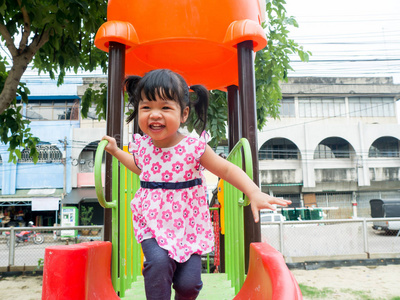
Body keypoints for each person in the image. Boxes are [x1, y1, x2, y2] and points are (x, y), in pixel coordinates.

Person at [102, 69, 291, 300]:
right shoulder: (143, 147)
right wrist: (115, 151)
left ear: (184, 114)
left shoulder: (194, 147)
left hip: (188, 225)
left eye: (165, 107)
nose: (154, 115)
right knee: (158, 263)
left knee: (190, 284)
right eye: (146, 107)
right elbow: (139, 167)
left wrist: (253, 191)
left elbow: (226, 168)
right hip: (151, 220)